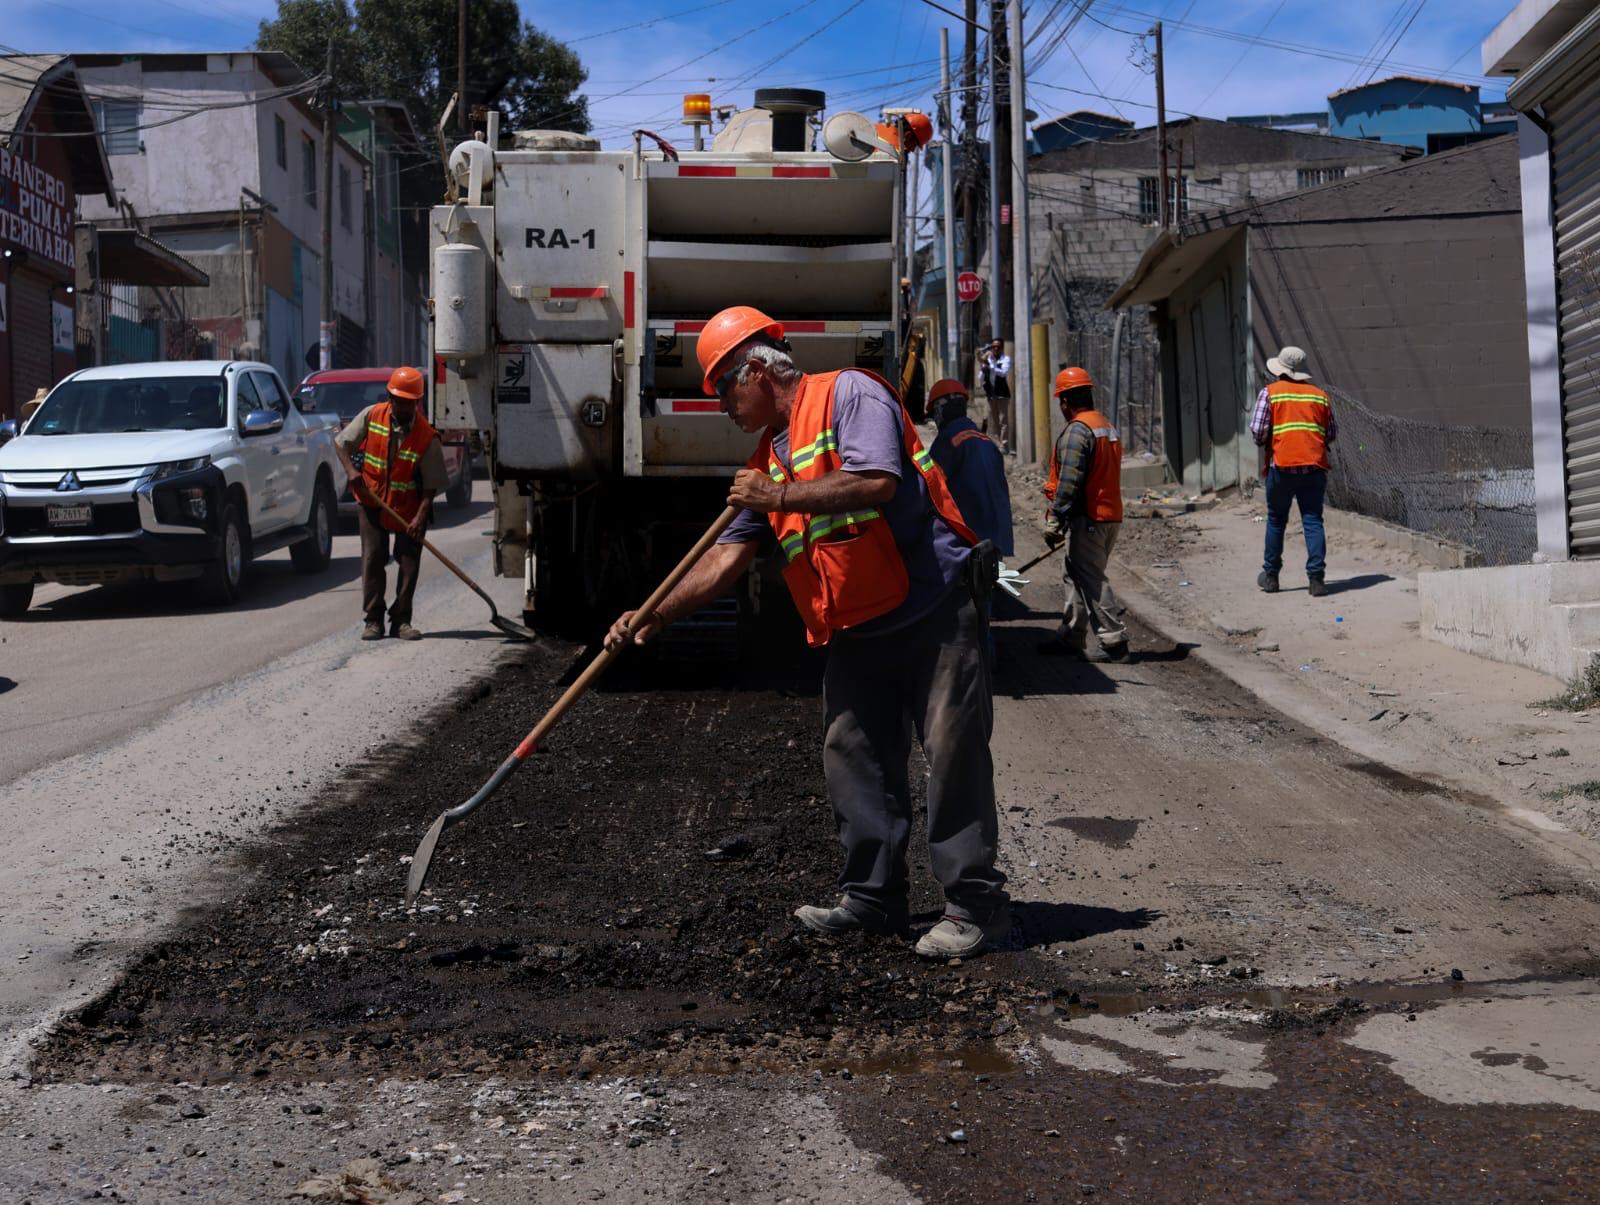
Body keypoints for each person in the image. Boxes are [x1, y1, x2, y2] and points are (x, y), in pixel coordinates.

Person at [604, 305, 1011, 960]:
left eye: (723, 388)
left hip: (934, 604)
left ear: (757, 372)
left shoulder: (848, 393)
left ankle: (976, 905)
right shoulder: (768, 458)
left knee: (952, 750)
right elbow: (726, 557)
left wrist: (778, 498)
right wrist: (657, 612)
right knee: (853, 751)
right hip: (859, 621)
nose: (721, 406)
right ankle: (872, 899)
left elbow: (877, 480)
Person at [334, 366, 448, 641]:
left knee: (408, 562)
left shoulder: (426, 436)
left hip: (409, 508)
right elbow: (341, 443)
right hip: (371, 500)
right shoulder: (372, 415)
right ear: (390, 397)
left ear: (417, 402)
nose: (404, 407)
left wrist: (420, 517)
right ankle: (373, 620)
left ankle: (401, 620)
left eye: (410, 403)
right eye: (399, 401)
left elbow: (431, 485)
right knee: (373, 557)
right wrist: (351, 471)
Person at [1039, 366, 1128, 661]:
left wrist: (1056, 519)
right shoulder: (1104, 424)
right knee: (1075, 573)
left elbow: (1069, 481)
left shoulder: (1079, 430)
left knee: (1090, 578)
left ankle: (1114, 642)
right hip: (1108, 515)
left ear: (1065, 401)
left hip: (1090, 518)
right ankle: (1071, 635)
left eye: (1061, 402)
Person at [1252, 345, 1336, 597]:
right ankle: (1317, 580)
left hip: (1281, 467)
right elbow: (1331, 433)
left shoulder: (1270, 393)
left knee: (1276, 520)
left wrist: (1269, 440)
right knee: (1313, 520)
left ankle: (1271, 577)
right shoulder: (1320, 396)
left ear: (1280, 370)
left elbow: (1258, 431)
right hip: (1314, 468)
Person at [926, 378, 1014, 558]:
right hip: (997, 536)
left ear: (940, 410)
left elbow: (931, 488)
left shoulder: (947, 441)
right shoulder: (987, 442)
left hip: (968, 540)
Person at [979, 339, 1012, 451]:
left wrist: (991, 366)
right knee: (993, 421)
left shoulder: (1005, 359)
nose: (996, 349)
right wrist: (983, 368)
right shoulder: (988, 360)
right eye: (994, 347)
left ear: (1002, 348)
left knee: (1003, 420)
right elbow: (980, 378)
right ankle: (997, 444)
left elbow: (1003, 373)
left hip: (1002, 394)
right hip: (991, 394)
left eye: (998, 346)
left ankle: (1004, 444)